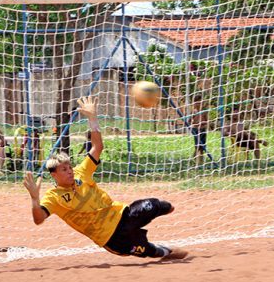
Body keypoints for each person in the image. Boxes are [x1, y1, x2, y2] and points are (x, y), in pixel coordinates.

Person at [22, 96, 188, 261]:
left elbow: (97, 147)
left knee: (156, 205)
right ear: (54, 175)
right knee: (150, 251)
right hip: (112, 240)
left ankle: (167, 215)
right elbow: (39, 219)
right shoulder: (53, 197)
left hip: (122, 215)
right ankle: (165, 252)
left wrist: (92, 119)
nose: (70, 171)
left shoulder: (81, 172)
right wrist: (35, 198)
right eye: (64, 169)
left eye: (70, 167)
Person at [189, 94, 208, 166]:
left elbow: (206, 120)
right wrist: (192, 125)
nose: (198, 104)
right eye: (197, 102)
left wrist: (204, 123)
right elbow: (189, 120)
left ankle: (201, 161)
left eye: (200, 102)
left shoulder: (204, 111)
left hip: (203, 129)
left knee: (202, 146)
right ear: (194, 103)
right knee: (197, 146)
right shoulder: (194, 111)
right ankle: (195, 159)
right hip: (196, 129)